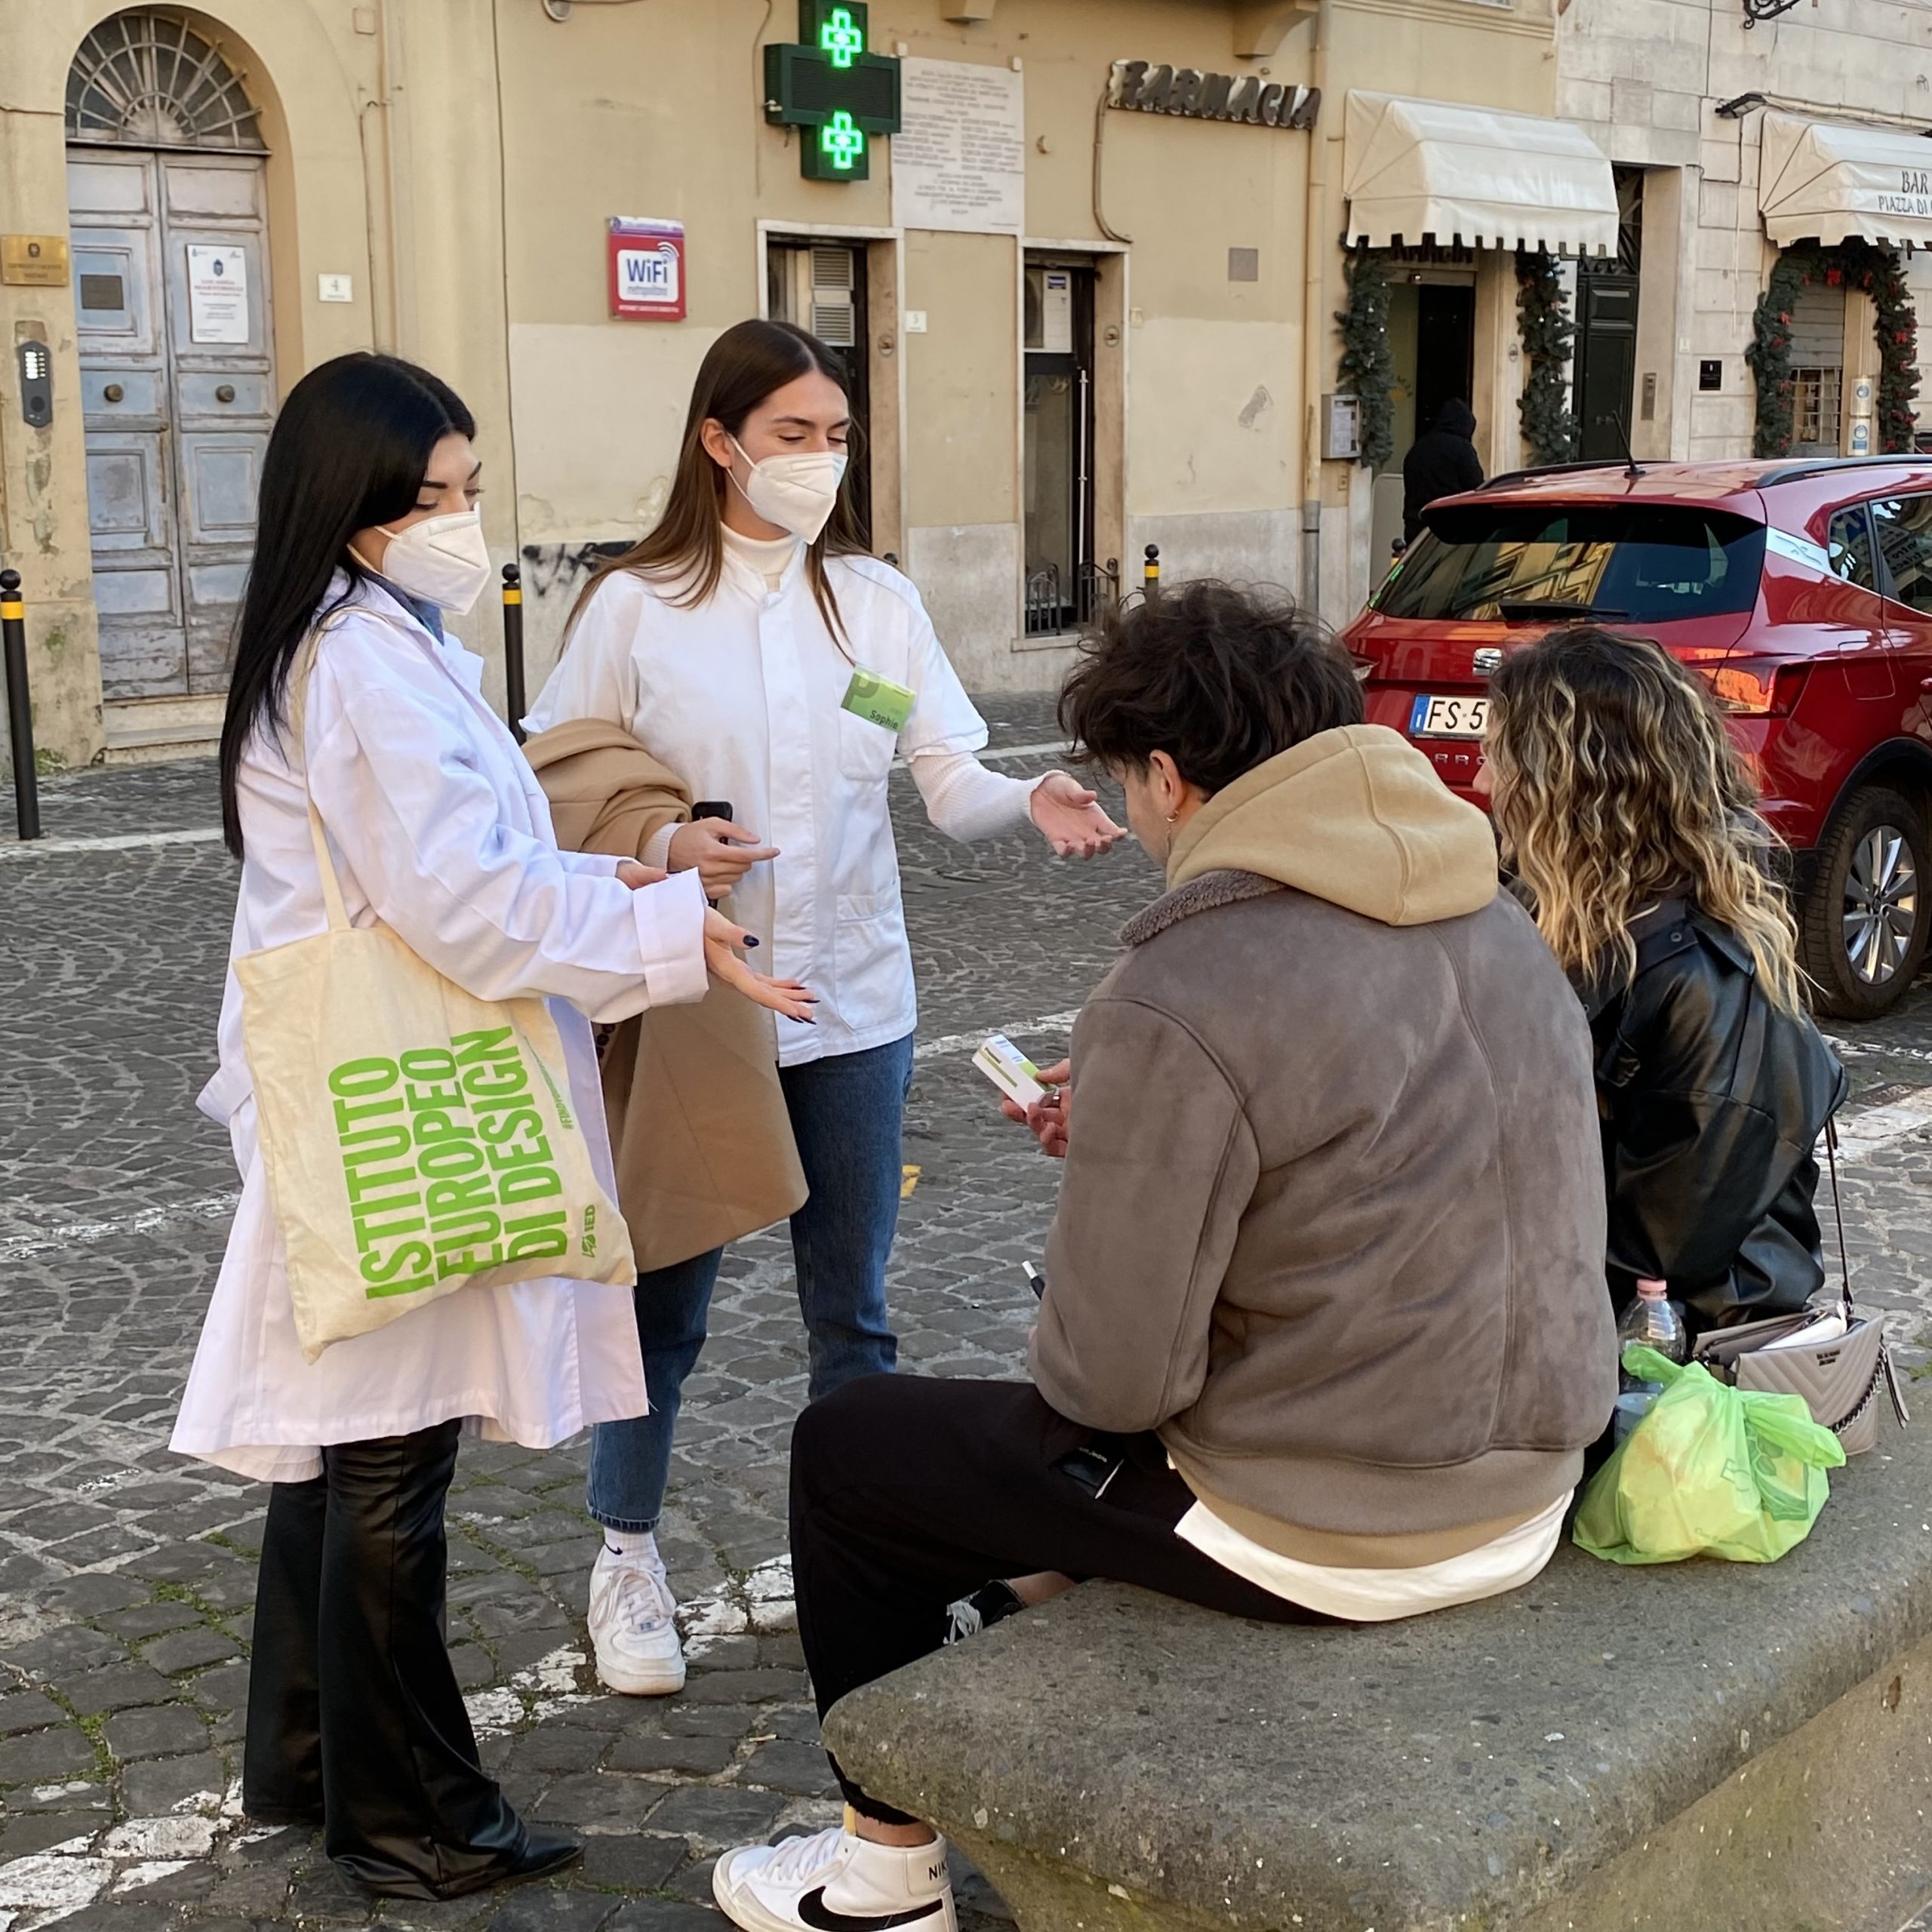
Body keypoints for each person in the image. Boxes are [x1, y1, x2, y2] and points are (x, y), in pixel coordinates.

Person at [707, 580, 1617, 1932]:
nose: (1130, 816)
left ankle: (883, 1877)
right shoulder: (1493, 919)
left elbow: (1107, 1384)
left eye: (1127, 785)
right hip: (1540, 1474)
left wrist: (1146, 1137)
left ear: (1173, 781)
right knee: (997, 1473)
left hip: (1340, 1532)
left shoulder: (1183, 983)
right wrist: (1147, 1135)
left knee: (852, 1449)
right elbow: (1385, 1168)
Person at [171, 352, 811, 1902]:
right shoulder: (366, 662)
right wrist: (665, 923)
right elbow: (465, 902)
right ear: (355, 506)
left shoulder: (352, 634)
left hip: (353, 1073)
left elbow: (460, 870)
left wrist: (646, 895)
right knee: (391, 1451)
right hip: (401, 1083)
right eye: (435, 495)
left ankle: (315, 1755)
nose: (464, 517)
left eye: (467, 486)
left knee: (342, 1445)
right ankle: (411, 1809)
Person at [524, 317, 1124, 1698]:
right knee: (663, 1306)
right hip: (692, 1005)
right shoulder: (634, 608)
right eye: (793, 434)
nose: (820, 459)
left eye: (837, 435)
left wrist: (1026, 797)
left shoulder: (874, 603)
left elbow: (945, 774)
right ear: (720, 442)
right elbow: (553, 785)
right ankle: (624, 1556)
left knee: (851, 1311)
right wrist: (669, 848)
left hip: (855, 1006)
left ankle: (874, 1544)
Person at [1478, 626, 1844, 1337]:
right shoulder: (1550, 915)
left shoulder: (1706, 980)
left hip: (1680, 1377)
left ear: (1573, 787)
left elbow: (1656, 1249)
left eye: (1499, 759)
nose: (1484, 783)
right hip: (1577, 1345)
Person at [1401, 398, 1484, 543]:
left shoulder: (1417, 449)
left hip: (1417, 528)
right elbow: (1476, 488)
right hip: (1451, 529)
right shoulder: (1462, 449)